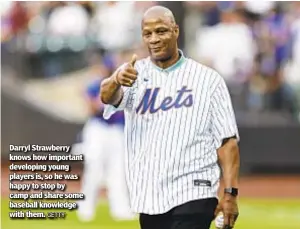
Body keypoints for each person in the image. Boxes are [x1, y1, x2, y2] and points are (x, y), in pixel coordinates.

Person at [100, 6, 240, 229]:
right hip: (149, 194)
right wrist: (116, 78)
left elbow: (227, 141)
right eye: (148, 33)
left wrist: (230, 193)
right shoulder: (132, 74)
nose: (154, 39)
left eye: (161, 31)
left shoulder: (208, 80)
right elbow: (107, 96)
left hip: (194, 190)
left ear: (176, 31)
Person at [74, 53, 135, 222]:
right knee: (94, 169)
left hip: (117, 130)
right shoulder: (97, 84)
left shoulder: (126, 86)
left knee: (118, 171)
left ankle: (121, 209)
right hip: (98, 128)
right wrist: (107, 100)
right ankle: (86, 209)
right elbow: (91, 108)